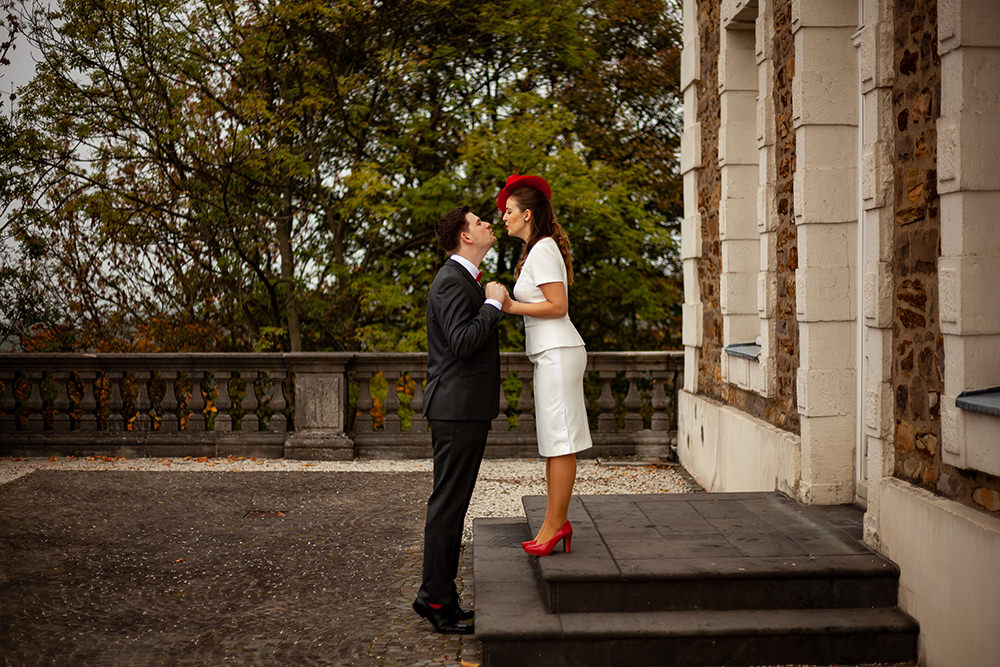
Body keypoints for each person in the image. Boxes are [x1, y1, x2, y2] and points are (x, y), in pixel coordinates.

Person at [413, 205, 509, 635]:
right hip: (455, 410)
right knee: (447, 505)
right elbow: (463, 342)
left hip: (464, 410)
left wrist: (488, 299)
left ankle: (443, 598)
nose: (488, 223)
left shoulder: (461, 280)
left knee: (452, 504)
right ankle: (434, 599)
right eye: (479, 222)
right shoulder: (452, 282)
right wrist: (493, 303)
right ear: (465, 237)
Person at [497, 173, 592, 557]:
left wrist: (509, 305)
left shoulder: (544, 249)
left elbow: (558, 306)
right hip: (549, 354)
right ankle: (553, 524)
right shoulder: (537, 249)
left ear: (528, 215)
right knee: (554, 443)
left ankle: (555, 526)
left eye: (509, 211)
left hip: (558, 353)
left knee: (562, 443)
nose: (504, 217)